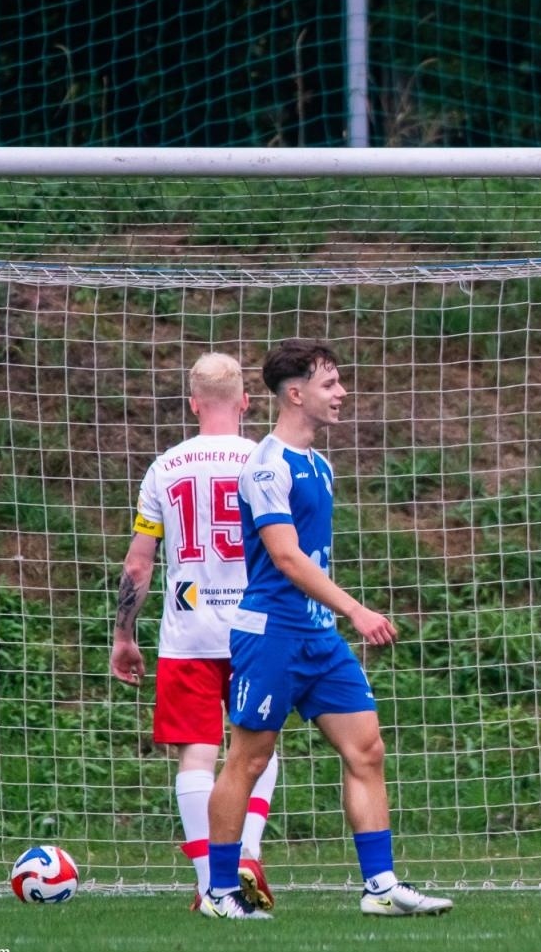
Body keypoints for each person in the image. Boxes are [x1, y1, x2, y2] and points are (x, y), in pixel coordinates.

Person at [200, 338, 453, 919]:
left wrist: (336, 619)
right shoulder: (265, 466)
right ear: (296, 394)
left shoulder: (318, 463)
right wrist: (357, 611)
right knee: (249, 759)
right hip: (272, 636)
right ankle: (218, 891)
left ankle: (381, 887)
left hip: (318, 639)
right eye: (330, 383)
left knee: (366, 750)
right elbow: (287, 558)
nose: (341, 394)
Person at [111, 352, 279, 911]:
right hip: (256, 626)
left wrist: (124, 635)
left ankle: (212, 882)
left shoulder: (165, 467)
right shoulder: (264, 460)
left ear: (192, 403)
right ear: (246, 402)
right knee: (256, 743)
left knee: (197, 757)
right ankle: (247, 852)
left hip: (188, 631)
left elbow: (139, 564)